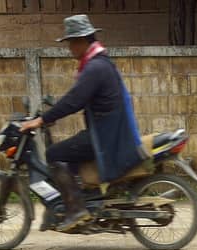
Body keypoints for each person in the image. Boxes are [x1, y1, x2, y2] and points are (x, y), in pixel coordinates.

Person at [17, 15, 145, 233]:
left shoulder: (95, 68)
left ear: (81, 41)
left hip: (104, 135)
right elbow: (77, 99)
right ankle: (81, 198)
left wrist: (41, 120)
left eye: (70, 43)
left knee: (55, 154)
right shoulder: (100, 62)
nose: (69, 49)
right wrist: (53, 115)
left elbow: (74, 100)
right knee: (70, 151)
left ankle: (76, 210)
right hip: (107, 129)